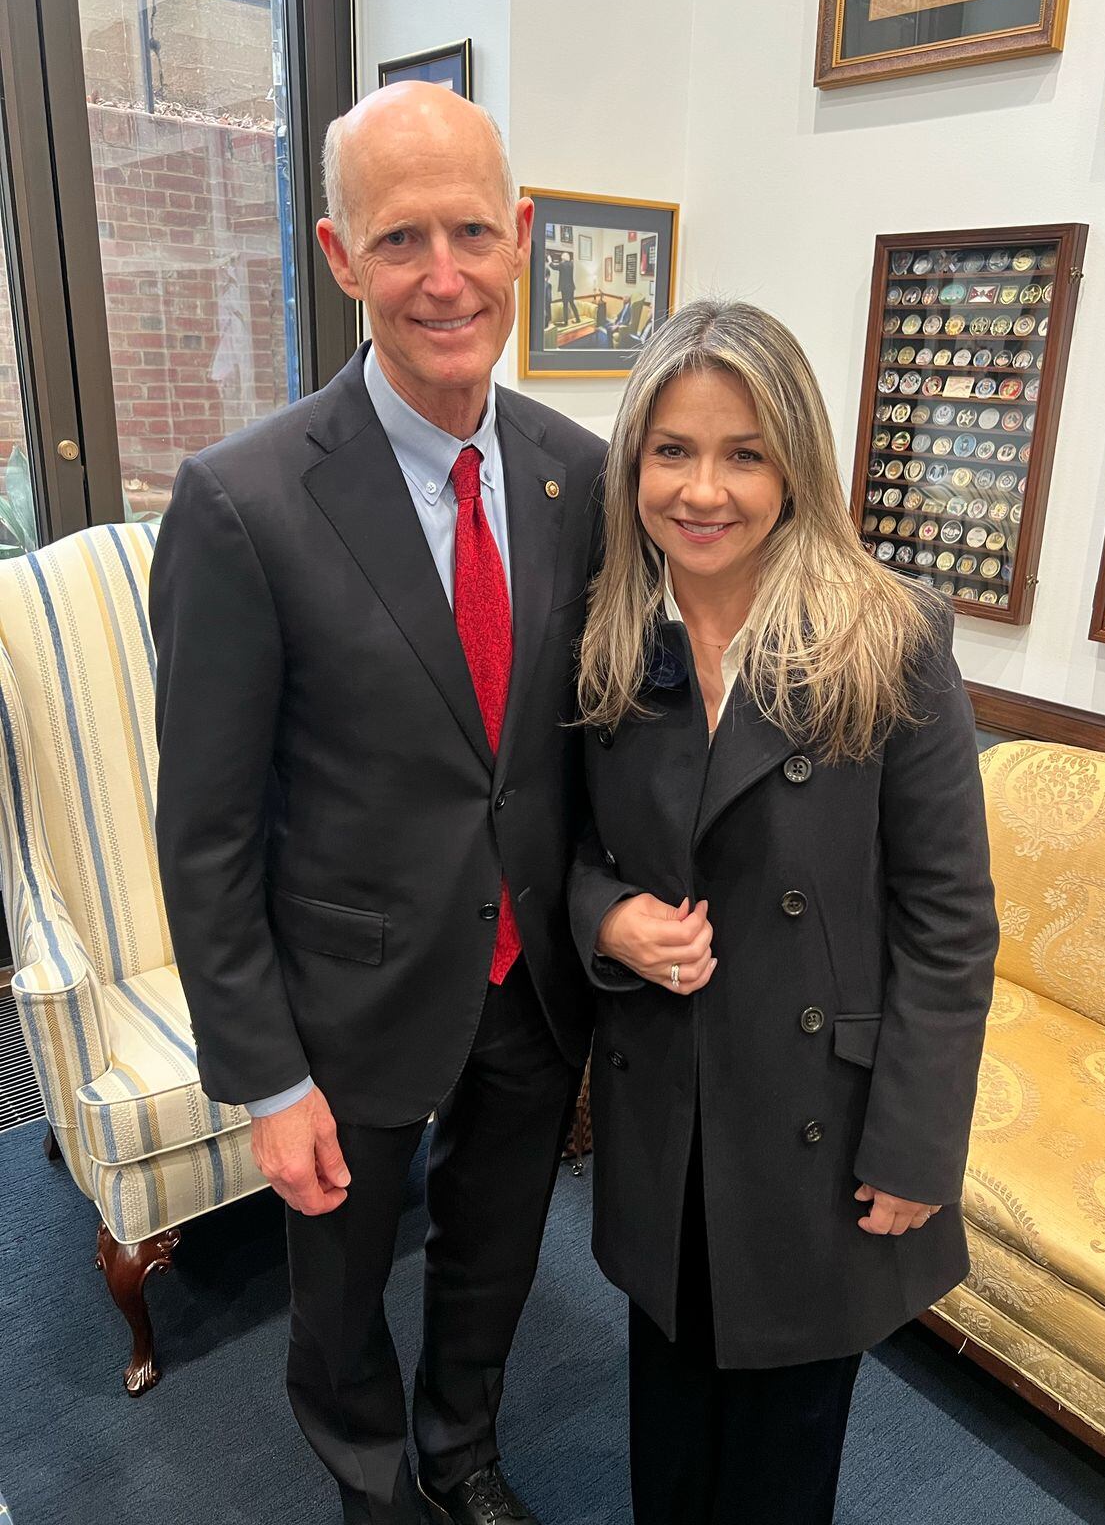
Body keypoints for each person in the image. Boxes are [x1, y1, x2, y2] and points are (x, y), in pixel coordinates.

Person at [150, 82, 606, 1525]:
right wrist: (266, 1078)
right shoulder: (242, 504)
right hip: (344, 1007)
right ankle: (372, 1484)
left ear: (522, 236)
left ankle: (463, 1453)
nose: (444, 274)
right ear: (342, 257)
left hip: (532, 984)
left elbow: (577, 746)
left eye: (473, 229)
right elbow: (206, 830)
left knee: (495, 1253)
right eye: (400, 237)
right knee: (340, 1299)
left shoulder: (580, 479)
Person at [569, 299, 999, 1524]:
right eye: (674, 450)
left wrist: (918, 1148)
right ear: (634, 463)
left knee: (782, 1457)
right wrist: (607, 919)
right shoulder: (609, 635)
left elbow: (950, 920)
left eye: (744, 453)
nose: (704, 489)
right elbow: (568, 852)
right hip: (667, 1109)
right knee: (670, 1414)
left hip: (822, 1124)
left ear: (795, 464)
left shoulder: (888, 636)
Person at [553, 251, 580, 324]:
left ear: (563, 258)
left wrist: (549, 261)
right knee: (571, 303)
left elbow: (554, 267)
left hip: (565, 288)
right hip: (571, 287)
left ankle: (565, 322)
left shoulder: (562, 264)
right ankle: (578, 319)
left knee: (565, 305)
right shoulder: (571, 264)